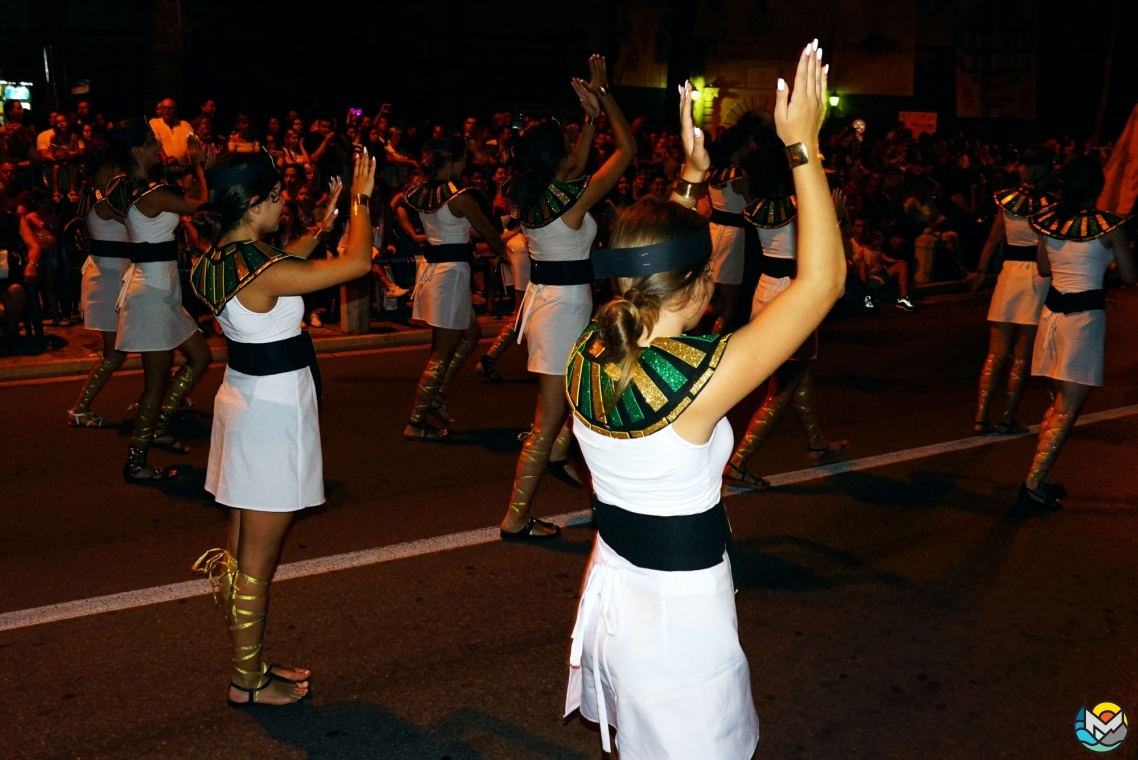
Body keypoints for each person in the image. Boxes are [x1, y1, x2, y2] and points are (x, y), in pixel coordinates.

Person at [565, 46, 843, 758]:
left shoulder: (587, 349)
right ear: (696, 285)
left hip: (618, 587)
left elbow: (654, 257)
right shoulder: (697, 378)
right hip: (677, 621)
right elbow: (822, 286)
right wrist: (803, 147)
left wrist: (690, 179)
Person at [188, 151, 373, 707]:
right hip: (270, 414)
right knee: (257, 562)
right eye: (277, 197)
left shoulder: (216, 259)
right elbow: (358, 264)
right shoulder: (262, 270)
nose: (284, 202)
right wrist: (363, 200)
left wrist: (323, 224)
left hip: (244, 400)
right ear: (253, 203)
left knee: (242, 544)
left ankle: (252, 665)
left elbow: (283, 264)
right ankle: (246, 682)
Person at [496, 55, 635, 540]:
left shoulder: (531, 192)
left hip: (546, 304)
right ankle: (515, 517)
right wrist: (606, 95)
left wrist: (591, 117)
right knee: (546, 418)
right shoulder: (571, 198)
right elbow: (627, 149)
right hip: (561, 311)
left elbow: (576, 161)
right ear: (554, 159)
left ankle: (561, 456)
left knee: (573, 407)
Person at [724, 139, 848, 490]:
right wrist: (836, 220)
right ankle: (739, 461)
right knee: (782, 387)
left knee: (799, 372)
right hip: (795, 297)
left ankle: (816, 443)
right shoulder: (803, 206)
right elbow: (826, 254)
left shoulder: (757, 205)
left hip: (766, 291)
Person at [1016, 155, 1135, 510]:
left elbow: (1042, 267)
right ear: (1098, 187)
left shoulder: (1049, 222)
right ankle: (1033, 484)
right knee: (1067, 409)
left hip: (1052, 316)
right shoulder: (1111, 227)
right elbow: (1130, 277)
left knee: (1059, 404)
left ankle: (1042, 476)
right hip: (1082, 322)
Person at [106, 119, 211, 482]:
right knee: (155, 383)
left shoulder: (126, 186)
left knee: (201, 356)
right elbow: (200, 202)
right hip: (150, 292)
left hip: (161, 288)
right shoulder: (149, 194)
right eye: (151, 142)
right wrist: (198, 164)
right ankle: (136, 462)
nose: (158, 146)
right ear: (136, 151)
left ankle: (160, 428)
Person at [402, 138, 507, 439]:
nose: (465, 166)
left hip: (438, 271)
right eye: (463, 161)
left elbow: (453, 228)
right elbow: (488, 230)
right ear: (452, 162)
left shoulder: (421, 193)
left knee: (471, 334)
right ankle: (416, 421)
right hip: (450, 276)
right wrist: (501, 250)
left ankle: (435, 396)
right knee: (441, 352)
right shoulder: (459, 198)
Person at [967, 145, 1057, 435]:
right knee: (1021, 355)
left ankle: (981, 417)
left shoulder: (1007, 200)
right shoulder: (1052, 204)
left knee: (996, 353)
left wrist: (980, 272)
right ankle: (1006, 418)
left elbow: (993, 239)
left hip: (1008, 274)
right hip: (1037, 278)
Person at [67, 151, 132, 427]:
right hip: (106, 280)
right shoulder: (100, 200)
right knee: (115, 352)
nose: (118, 173)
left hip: (117, 276)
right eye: (112, 167)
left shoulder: (99, 195)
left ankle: (160, 397)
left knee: (148, 339)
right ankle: (79, 409)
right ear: (100, 170)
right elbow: (136, 218)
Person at [706, 127, 751, 333]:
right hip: (732, 237)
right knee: (729, 306)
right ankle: (711, 350)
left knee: (711, 297)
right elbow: (754, 206)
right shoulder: (738, 175)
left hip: (713, 232)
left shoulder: (714, 172)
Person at [149, 98, 195, 165]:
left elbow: (194, 146)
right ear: (160, 110)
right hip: (164, 169)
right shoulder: (154, 123)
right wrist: (167, 160)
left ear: (175, 109)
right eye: (164, 108)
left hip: (185, 168)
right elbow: (155, 145)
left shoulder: (186, 125)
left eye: (170, 108)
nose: (166, 110)